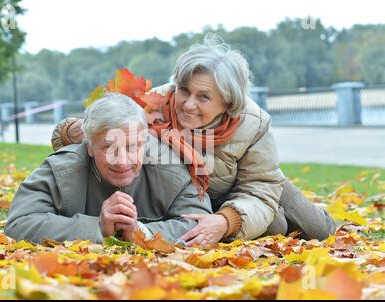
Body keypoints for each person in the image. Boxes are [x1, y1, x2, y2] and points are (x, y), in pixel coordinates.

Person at [50, 33, 336, 247]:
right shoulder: (151, 103)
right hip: (197, 197)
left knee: (318, 228)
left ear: (227, 102)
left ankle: (339, 227)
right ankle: (270, 218)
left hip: (248, 182)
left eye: (204, 97)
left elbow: (261, 187)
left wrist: (228, 220)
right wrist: (71, 131)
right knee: (275, 225)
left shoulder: (254, 122)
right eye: (184, 90)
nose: (187, 104)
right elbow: (97, 131)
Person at [5, 92, 213, 244]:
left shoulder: (172, 171)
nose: (122, 161)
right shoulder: (62, 170)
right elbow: (20, 222)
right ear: (90, 147)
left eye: (133, 146)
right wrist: (96, 228)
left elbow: (200, 223)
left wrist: (141, 232)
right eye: (108, 147)